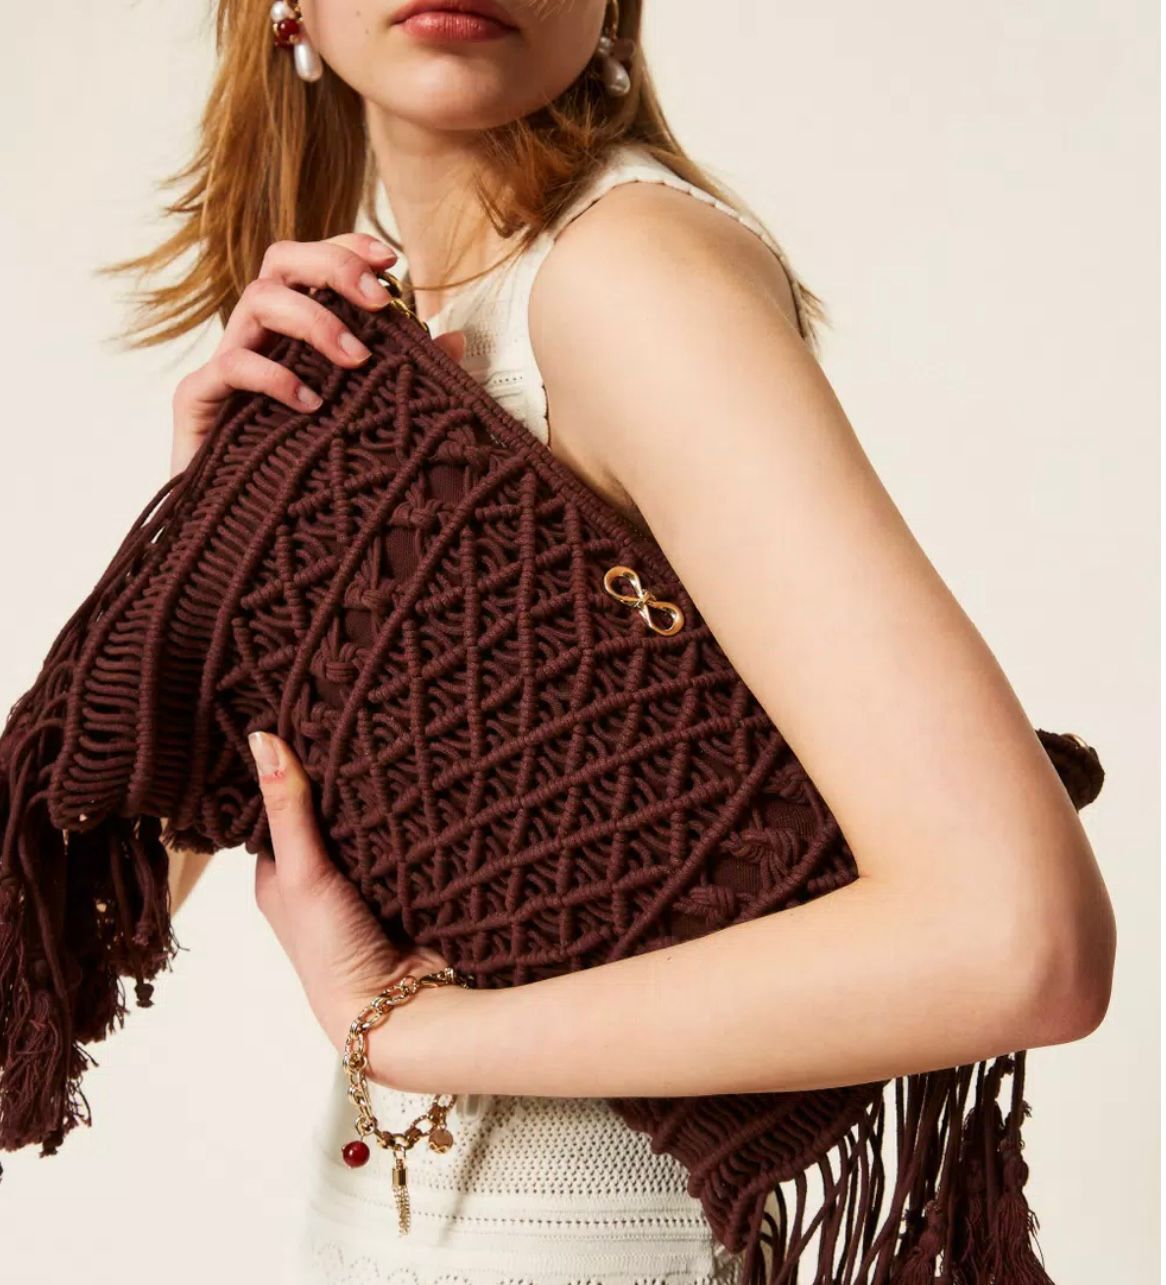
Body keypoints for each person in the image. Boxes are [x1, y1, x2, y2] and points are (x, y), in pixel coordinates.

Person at [107, 1, 1116, 1281]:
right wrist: (214, 548)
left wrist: (400, 1031)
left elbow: (1015, 938)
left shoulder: (620, 275)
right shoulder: (379, 320)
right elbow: (90, 917)